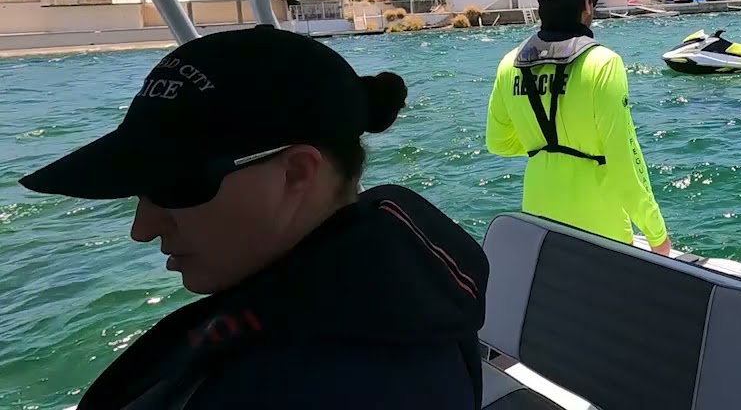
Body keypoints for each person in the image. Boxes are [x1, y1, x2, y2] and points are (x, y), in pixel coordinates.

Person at [18, 25, 488, 410]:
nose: (143, 229)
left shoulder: (333, 386)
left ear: (297, 174)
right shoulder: (388, 302)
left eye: (175, 186)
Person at [485, 0, 672, 256]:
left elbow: (497, 143)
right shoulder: (603, 63)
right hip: (601, 228)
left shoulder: (510, 64)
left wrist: (548, 147)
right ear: (587, 5)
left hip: (539, 223)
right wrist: (656, 234)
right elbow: (624, 161)